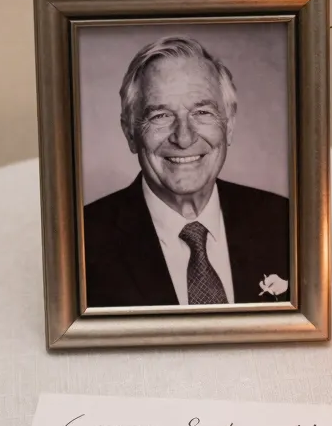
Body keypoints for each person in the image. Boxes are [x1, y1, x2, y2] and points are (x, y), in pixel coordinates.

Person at [83, 35, 290, 308]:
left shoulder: (284, 220)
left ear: (228, 126)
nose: (183, 138)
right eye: (160, 116)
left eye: (202, 112)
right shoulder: (83, 241)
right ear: (130, 133)